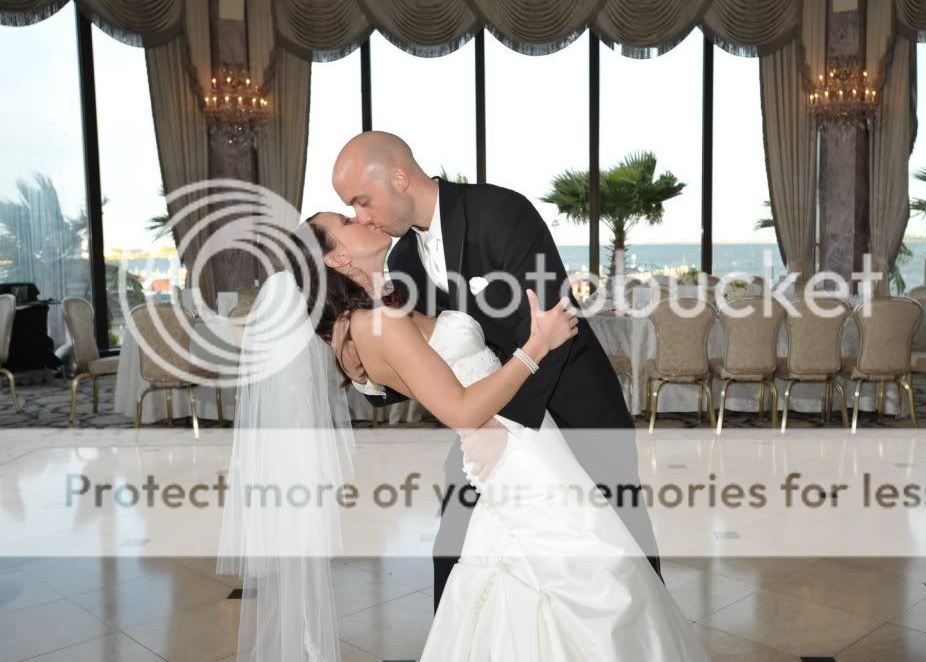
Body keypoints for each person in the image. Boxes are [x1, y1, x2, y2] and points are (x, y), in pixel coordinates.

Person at [294, 205, 706, 661]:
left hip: (519, 441)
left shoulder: (374, 314)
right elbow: (460, 408)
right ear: (336, 258)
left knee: (547, 571)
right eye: (346, 222)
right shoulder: (377, 324)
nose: (361, 218)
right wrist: (538, 344)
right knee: (594, 570)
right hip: (515, 451)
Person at [316, 132, 662, 611]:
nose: (362, 217)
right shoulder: (403, 260)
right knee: (454, 551)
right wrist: (365, 378)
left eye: (362, 201)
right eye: (351, 209)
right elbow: (418, 359)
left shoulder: (500, 212)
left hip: (573, 406)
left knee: (621, 546)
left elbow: (554, 325)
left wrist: (503, 425)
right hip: (484, 419)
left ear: (398, 178)